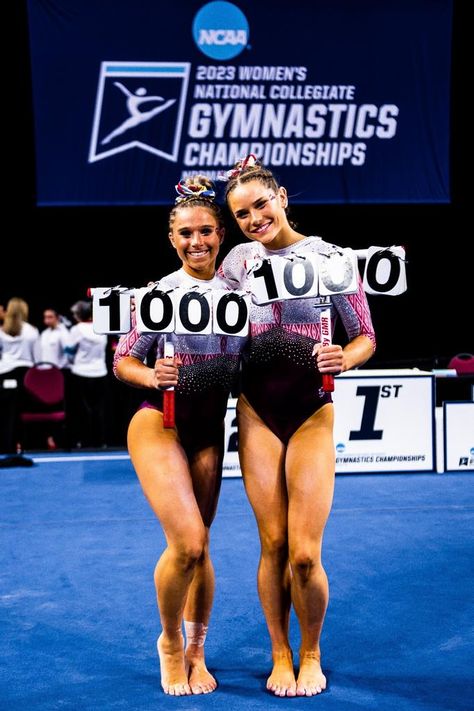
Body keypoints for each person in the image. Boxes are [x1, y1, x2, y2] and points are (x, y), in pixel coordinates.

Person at [218, 155, 376, 697]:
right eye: (241, 214)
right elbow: (217, 323)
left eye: (261, 204)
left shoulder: (331, 258)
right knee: (274, 543)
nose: (254, 218)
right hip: (257, 410)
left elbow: (365, 335)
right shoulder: (237, 262)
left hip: (310, 409)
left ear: (282, 196)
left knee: (306, 553)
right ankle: (280, 652)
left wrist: (345, 358)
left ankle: (312, 651)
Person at [113, 176, 245, 695]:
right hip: (158, 421)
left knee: (202, 546)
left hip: (211, 429)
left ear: (221, 235)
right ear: (172, 239)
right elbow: (123, 360)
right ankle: (169, 642)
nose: (197, 242)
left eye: (207, 231)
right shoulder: (159, 295)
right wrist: (152, 376)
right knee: (186, 542)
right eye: (186, 233)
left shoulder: (243, 294)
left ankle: (197, 649)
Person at [0, 297, 40, 453]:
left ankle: (6, 446)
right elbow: (38, 358)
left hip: (4, 374)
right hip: (25, 376)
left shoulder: (3, 331)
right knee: (21, 414)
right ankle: (23, 445)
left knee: (6, 414)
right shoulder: (31, 331)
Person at [67, 300, 108, 448]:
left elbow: (69, 351)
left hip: (81, 372)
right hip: (99, 372)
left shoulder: (77, 329)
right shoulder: (101, 328)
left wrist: (72, 361)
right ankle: (101, 441)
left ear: (78, 315)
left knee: (81, 410)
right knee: (99, 409)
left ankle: (83, 441)